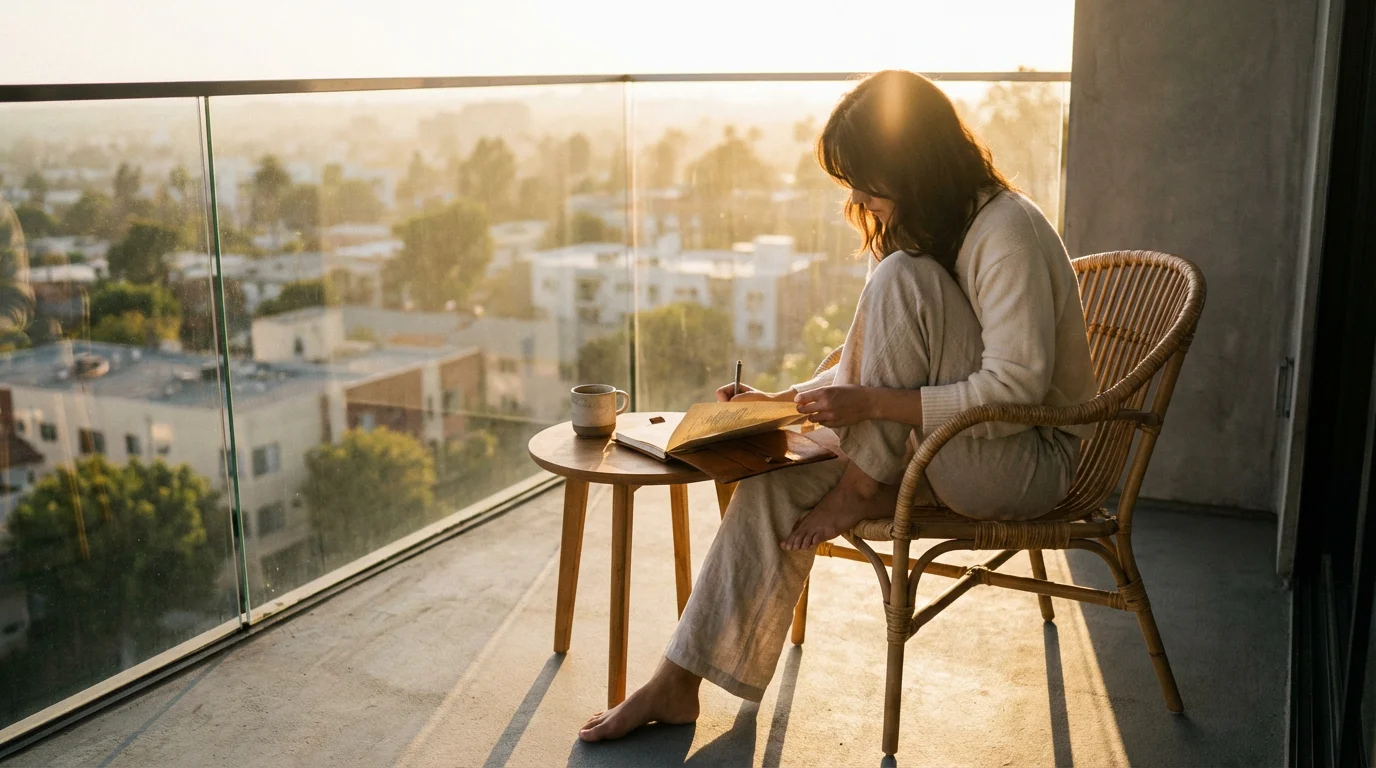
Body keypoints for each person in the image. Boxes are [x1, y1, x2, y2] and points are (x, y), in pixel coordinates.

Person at [579, 69, 1098, 742]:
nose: (856, 196)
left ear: (915, 165)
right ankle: (677, 683)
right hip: (949, 450)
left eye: (867, 177)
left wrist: (868, 404)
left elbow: (1016, 391)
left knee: (899, 276)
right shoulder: (947, 228)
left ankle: (862, 484)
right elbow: (883, 360)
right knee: (771, 492)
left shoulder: (1006, 233)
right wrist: (783, 404)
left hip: (1025, 462)